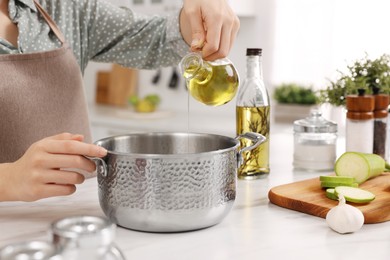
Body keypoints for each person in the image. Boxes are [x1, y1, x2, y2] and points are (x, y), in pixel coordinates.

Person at [0, 0, 239, 202]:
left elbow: (158, 39)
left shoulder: (66, 8)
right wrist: (9, 179)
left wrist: (197, 20)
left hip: (80, 217)